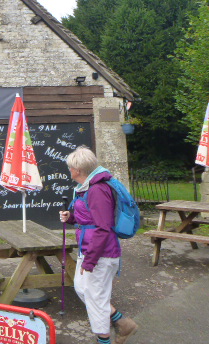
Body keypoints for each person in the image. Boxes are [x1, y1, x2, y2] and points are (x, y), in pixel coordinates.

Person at [59, 146, 138, 344]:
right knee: (82, 288)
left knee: (95, 297)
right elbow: (90, 218)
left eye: (71, 167)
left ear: (77, 169)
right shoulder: (87, 188)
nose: (69, 170)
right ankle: (122, 322)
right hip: (89, 248)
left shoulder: (97, 190)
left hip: (101, 253)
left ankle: (104, 339)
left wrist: (90, 261)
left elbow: (103, 228)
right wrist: (71, 217)